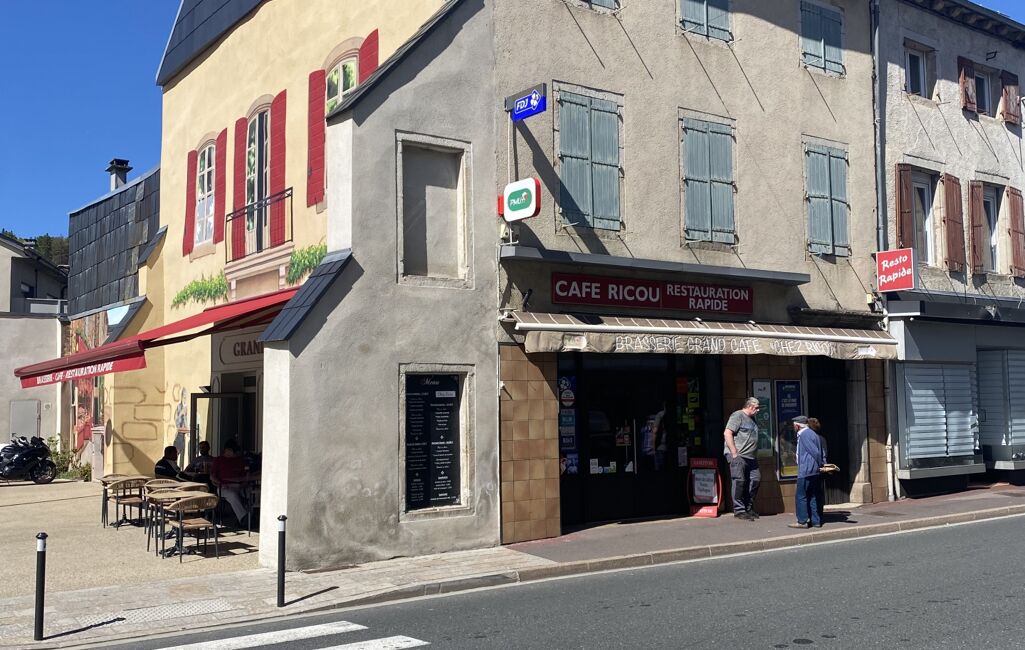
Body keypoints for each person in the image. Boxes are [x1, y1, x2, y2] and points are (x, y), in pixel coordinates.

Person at [723, 397, 761, 521]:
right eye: (756, 408)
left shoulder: (752, 419)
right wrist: (734, 453)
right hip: (739, 455)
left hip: (751, 457)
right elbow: (727, 433)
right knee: (739, 481)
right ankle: (739, 510)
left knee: (755, 479)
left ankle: (748, 508)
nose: (758, 410)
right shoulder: (737, 415)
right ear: (749, 406)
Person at [788, 416, 825, 529]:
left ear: (797, 425)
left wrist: (820, 463)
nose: (793, 428)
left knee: (801, 496)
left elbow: (815, 452)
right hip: (813, 470)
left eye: (794, 425)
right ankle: (816, 521)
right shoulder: (813, 434)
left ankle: (802, 521)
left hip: (807, 470)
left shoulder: (804, 435)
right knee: (813, 496)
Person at [211, 440, 248, 525]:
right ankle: (244, 518)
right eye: (234, 452)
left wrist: (244, 483)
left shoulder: (239, 460)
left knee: (252, 494)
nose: (235, 454)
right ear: (228, 450)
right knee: (232, 495)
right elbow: (212, 477)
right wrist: (220, 483)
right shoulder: (218, 460)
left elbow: (245, 475)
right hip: (224, 486)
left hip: (239, 485)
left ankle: (250, 516)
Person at [807, 417, 827, 522]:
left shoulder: (811, 438)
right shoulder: (822, 438)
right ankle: (819, 513)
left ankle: (814, 516)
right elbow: (825, 454)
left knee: (812, 493)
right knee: (818, 492)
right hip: (821, 468)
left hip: (813, 469)